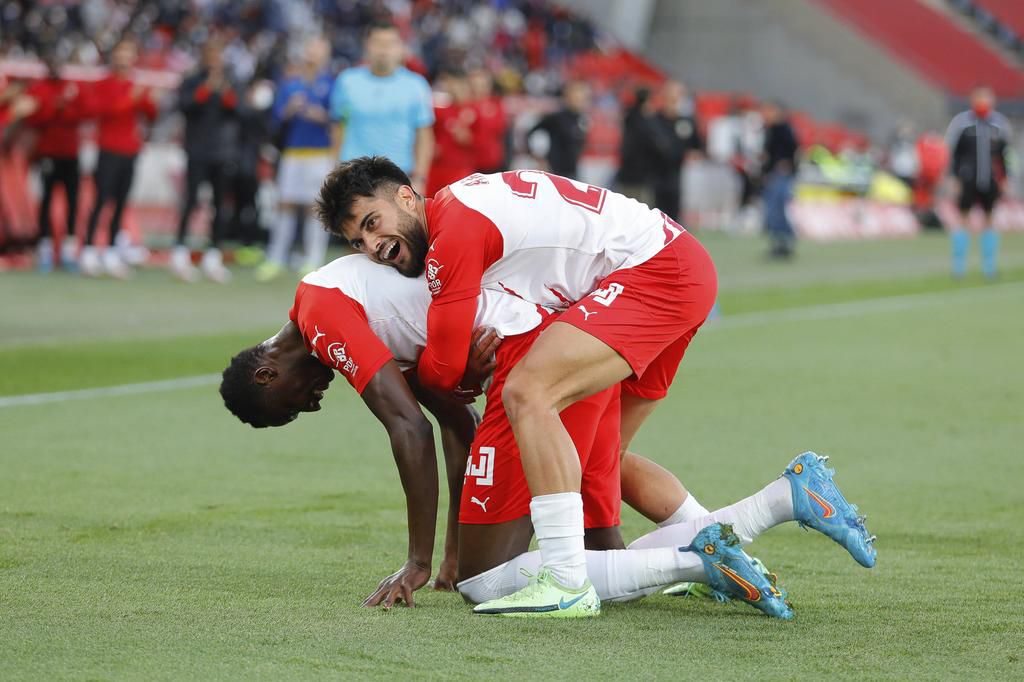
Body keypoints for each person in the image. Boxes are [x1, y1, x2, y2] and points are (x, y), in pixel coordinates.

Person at [320, 157, 869, 617]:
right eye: (357, 241)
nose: (371, 246)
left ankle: (566, 582)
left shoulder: (454, 231)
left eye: (372, 222)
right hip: (672, 263)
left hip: (652, 272)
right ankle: (782, 501)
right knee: (593, 463)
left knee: (528, 393)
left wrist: (446, 371)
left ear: (408, 197)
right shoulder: (467, 201)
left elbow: (440, 368)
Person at [220, 254, 876, 617]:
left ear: (267, 370)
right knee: (602, 515)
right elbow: (453, 424)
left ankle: (710, 556)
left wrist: (420, 563)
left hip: (533, 354)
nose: (309, 406)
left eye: (289, 405)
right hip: (567, 335)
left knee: (494, 580)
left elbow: (409, 430)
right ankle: (777, 506)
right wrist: (449, 549)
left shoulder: (319, 312)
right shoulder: (352, 311)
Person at [255, 37, 334, 282]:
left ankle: (313, 258)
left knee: (315, 207)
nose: (312, 54)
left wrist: (321, 116)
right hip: (293, 152)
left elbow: (338, 118)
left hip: (320, 152)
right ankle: (276, 257)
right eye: (310, 48)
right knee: (286, 203)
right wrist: (290, 109)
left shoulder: (331, 85)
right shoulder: (291, 85)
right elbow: (276, 119)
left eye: (317, 49)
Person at [80, 37, 158, 278]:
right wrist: (131, 99)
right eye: (121, 52)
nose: (125, 58)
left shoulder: (135, 85)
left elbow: (151, 115)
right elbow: (100, 111)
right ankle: (90, 251)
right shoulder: (104, 84)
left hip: (130, 151)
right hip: (108, 149)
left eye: (129, 53)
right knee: (101, 200)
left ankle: (113, 252)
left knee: (121, 203)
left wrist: (149, 102)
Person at [329, 21, 434, 193]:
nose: (383, 50)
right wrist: (335, 170)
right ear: (367, 46)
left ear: (401, 47)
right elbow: (338, 127)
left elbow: (424, 136)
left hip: (398, 175)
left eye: (390, 43)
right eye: (378, 43)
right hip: (353, 173)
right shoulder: (347, 82)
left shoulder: (416, 85)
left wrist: (420, 177)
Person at [171, 37, 236, 283]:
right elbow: (185, 106)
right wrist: (207, 88)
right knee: (190, 201)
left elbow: (238, 110)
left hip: (222, 153)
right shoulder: (192, 81)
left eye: (217, 54)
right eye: (209, 54)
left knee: (220, 205)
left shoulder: (229, 82)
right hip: (197, 151)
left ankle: (213, 255)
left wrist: (225, 92)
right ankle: (179, 253)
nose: (213, 59)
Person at [945, 86, 1013, 279]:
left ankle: (989, 267)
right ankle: (959, 267)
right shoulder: (962, 123)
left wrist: (1005, 179)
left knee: (989, 219)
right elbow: (954, 154)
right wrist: (954, 178)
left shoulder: (999, 124)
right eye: (979, 97)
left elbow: (1005, 156)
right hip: (967, 180)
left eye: (986, 97)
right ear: (972, 99)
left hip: (990, 180)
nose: (983, 101)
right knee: (963, 219)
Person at [25, 53, 85, 272]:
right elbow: (34, 117)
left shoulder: (73, 87)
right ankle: (45, 249)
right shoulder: (38, 88)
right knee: (46, 201)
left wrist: (60, 108)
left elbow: (82, 114)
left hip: (70, 153)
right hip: (48, 153)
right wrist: (57, 106)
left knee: (72, 202)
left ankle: (69, 250)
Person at [648, 81, 702, 222]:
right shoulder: (654, 120)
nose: (674, 102)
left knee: (675, 216)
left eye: (678, 98)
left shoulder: (687, 122)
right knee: (654, 215)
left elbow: (697, 147)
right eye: (671, 98)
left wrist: (693, 154)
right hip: (654, 174)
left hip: (678, 174)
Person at [426, 68, 477, 196]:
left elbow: (484, 141)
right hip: (436, 168)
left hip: (460, 169)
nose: (455, 89)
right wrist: (432, 144)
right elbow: (426, 130)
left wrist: (468, 138)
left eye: (459, 85)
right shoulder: (440, 109)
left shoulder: (475, 110)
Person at [526, 80, 590, 178]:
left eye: (582, 98)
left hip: (573, 172)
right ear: (567, 97)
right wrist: (539, 158)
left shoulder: (582, 119)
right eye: (576, 97)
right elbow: (531, 132)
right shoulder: (557, 118)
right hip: (555, 172)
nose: (579, 101)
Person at [761, 100, 799, 260]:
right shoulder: (771, 129)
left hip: (780, 175)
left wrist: (784, 164)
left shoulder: (783, 129)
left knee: (775, 210)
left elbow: (791, 150)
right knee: (774, 210)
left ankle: (783, 241)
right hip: (774, 174)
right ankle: (781, 242)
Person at [616, 87, 656, 206]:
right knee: (638, 205)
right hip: (638, 172)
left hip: (629, 170)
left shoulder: (630, 117)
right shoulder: (645, 121)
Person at [467, 67, 507, 175]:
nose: (478, 89)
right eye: (475, 85)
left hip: (492, 162)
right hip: (470, 163)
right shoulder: (465, 105)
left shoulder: (495, 104)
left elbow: (499, 128)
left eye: (482, 85)